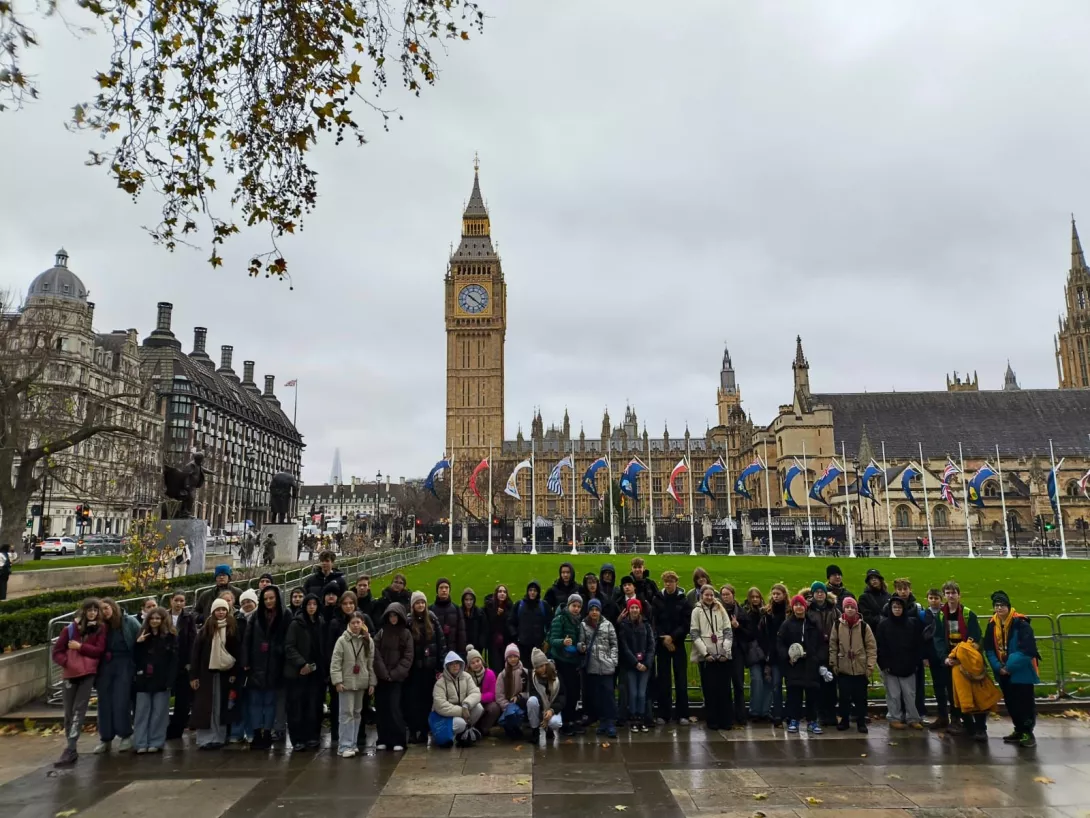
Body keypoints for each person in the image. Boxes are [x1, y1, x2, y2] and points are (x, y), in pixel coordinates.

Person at [983, 590, 1040, 748]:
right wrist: (997, 666)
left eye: (1002, 605)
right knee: (1011, 702)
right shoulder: (992, 624)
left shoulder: (1021, 623)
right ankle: (1019, 729)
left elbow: (1028, 650)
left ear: (1008, 606)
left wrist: (1008, 667)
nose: (999, 608)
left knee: (1025, 702)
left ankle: (1028, 732)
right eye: (996, 605)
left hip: (1020, 671)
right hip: (1003, 671)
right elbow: (988, 648)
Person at [51, 598, 106, 766]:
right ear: (83, 611)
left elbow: (99, 651)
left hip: (87, 674)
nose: (92, 613)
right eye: (89, 610)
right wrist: (67, 662)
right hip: (70, 675)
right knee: (68, 712)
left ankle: (71, 747)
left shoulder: (100, 629)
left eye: (95, 610)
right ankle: (71, 748)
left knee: (78, 711)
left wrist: (80, 647)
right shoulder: (70, 629)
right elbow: (57, 652)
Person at [189, 598, 241, 749]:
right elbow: (196, 654)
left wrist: (234, 673)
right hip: (206, 675)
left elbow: (236, 652)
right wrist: (194, 676)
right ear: (213, 611)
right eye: (218, 610)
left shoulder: (232, 628)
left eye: (223, 609)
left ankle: (218, 737)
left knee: (220, 707)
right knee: (205, 708)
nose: (221, 612)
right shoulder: (206, 630)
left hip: (224, 674)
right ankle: (205, 739)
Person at [241, 585, 287, 750]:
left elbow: (287, 640)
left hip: (275, 665)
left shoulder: (285, 615)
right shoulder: (255, 616)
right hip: (256, 664)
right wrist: (245, 662)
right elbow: (247, 639)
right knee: (255, 702)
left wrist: (278, 650)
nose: (268, 601)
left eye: (271, 598)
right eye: (265, 598)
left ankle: (267, 732)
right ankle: (256, 733)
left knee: (269, 701)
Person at [938, 580, 986, 739]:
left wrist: (960, 656)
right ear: (944, 595)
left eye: (953, 593)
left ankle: (980, 728)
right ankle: (966, 725)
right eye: (947, 593)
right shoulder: (940, 614)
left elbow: (974, 637)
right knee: (956, 695)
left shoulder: (967, 614)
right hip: (951, 662)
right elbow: (938, 638)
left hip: (966, 660)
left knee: (974, 694)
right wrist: (945, 658)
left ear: (959, 595)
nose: (950, 596)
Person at [94, 598, 140, 753]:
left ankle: (125, 734)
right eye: (101, 609)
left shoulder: (128, 622)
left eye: (106, 608)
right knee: (104, 702)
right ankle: (105, 737)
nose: (104, 612)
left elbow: (140, 638)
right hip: (105, 666)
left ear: (113, 607)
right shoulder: (98, 626)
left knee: (121, 700)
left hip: (124, 664)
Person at [132, 606, 179, 753]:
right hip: (143, 679)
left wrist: (170, 681)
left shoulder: (170, 637)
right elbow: (135, 658)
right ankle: (140, 743)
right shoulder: (142, 635)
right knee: (141, 712)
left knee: (159, 713)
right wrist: (138, 644)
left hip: (162, 680)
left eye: (158, 618)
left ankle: (156, 742)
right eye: (152, 618)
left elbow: (174, 660)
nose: (154, 621)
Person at [330, 611, 375, 757]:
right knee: (346, 714)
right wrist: (337, 681)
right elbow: (335, 662)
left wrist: (372, 682)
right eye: (353, 623)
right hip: (346, 682)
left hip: (361, 682)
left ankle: (353, 743)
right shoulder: (342, 640)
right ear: (349, 624)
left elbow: (371, 663)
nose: (356, 625)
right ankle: (344, 746)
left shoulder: (368, 640)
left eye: (358, 622)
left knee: (356, 713)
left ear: (363, 623)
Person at [284, 593, 325, 751]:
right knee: (297, 707)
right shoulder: (296, 624)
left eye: (314, 604)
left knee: (313, 706)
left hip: (316, 672)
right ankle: (298, 739)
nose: (312, 607)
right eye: (309, 604)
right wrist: (302, 663)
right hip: (299, 672)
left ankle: (312, 737)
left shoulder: (320, 622)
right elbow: (289, 646)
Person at [828, 597, 876, 733]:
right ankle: (844, 720)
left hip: (860, 668)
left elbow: (871, 647)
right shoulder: (837, 625)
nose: (850, 609)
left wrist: (870, 665)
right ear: (844, 608)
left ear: (856, 609)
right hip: (844, 667)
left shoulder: (864, 626)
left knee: (861, 697)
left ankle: (861, 721)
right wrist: (834, 663)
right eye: (847, 607)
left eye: (852, 607)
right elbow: (833, 646)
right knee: (844, 697)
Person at [877, 596, 925, 729]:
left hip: (908, 664)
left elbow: (918, 644)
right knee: (893, 694)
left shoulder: (912, 624)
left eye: (899, 607)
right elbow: (880, 646)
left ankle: (913, 718)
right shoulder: (884, 625)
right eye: (894, 607)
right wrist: (884, 664)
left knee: (910, 694)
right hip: (890, 666)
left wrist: (916, 662)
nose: (897, 610)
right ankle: (894, 718)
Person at [690, 584, 733, 731]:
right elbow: (694, 634)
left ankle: (726, 720)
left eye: (711, 595)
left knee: (725, 689)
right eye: (706, 595)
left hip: (722, 655)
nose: (709, 597)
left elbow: (728, 630)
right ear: (701, 596)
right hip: (707, 657)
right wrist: (705, 654)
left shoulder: (720, 609)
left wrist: (725, 651)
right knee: (710, 690)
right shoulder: (696, 611)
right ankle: (713, 720)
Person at [778, 594, 822, 734]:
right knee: (794, 695)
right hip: (794, 665)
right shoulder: (787, 624)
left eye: (801, 605)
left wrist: (814, 657)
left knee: (812, 695)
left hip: (810, 664)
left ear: (805, 606)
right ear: (792, 607)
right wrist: (788, 656)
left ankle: (812, 721)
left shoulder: (813, 623)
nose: (798, 607)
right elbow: (780, 643)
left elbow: (820, 643)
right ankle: (794, 720)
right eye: (796, 605)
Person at [654, 570, 693, 725]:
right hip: (663, 644)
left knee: (681, 679)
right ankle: (664, 713)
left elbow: (686, 623)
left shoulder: (683, 600)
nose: (669, 584)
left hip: (678, 643)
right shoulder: (657, 599)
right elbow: (654, 621)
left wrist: (673, 637)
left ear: (676, 582)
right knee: (664, 680)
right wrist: (663, 638)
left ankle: (682, 713)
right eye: (666, 582)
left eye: (671, 581)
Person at [406, 591, 445, 744]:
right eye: (417, 603)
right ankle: (412, 730)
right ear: (413, 605)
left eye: (422, 602)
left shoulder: (433, 620)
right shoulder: (409, 622)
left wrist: (440, 666)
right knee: (412, 701)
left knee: (426, 701)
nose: (420, 605)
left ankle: (423, 730)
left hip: (429, 668)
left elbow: (441, 643)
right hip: (414, 669)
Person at [373, 602, 413, 752]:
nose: (393, 618)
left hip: (396, 678)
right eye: (390, 615)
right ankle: (383, 738)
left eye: (395, 615)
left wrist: (394, 674)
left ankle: (399, 739)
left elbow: (408, 657)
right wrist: (384, 673)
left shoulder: (406, 634)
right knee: (382, 708)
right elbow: (375, 653)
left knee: (394, 708)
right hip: (382, 677)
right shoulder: (382, 632)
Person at [580, 598, 618, 737]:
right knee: (598, 697)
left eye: (596, 610)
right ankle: (602, 722)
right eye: (592, 610)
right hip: (593, 667)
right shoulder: (584, 625)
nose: (594, 612)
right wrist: (581, 647)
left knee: (608, 695)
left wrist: (613, 660)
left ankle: (610, 722)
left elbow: (614, 643)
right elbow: (581, 642)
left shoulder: (607, 624)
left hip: (607, 666)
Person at [548, 593, 585, 735]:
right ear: (568, 606)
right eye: (574, 606)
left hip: (574, 660)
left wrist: (580, 646)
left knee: (575, 693)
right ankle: (565, 722)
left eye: (578, 606)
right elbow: (552, 640)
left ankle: (571, 720)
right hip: (562, 661)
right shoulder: (560, 619)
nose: (576, 609)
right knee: (566, 692)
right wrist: (562, 642)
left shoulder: (578, 621)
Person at [429, 651, 483, 747]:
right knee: (460, 723)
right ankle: (449, 734)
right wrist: (461, 711)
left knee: (479, 708)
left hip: (463, 710)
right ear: (447, 666)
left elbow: (476, 693)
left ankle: (464, 733)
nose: (455, 666)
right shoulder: (440, 683)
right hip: (447, 715)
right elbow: (440, 705)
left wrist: (466, 704)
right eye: (451, 664)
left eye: (457, 663)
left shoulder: (467, 677)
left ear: (461, 664)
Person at [618, 597, 655, 732]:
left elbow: (651, 645)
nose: (634, 610)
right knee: (633, 693)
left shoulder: (646, 625)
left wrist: (646, 663)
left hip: (644, 665)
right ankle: (633, 718)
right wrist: (635, 662)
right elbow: (624, 647)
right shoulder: (624, 625)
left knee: (641, 693)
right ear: (628, 609)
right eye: (632, 607)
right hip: (631, 665)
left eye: (636, 608)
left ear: (640, 609)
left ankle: (641, 718)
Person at [806, 581, 839, 726]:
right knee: (817, 684)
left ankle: (831, 713)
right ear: (812, 594)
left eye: (822, 591)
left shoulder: (834, 610)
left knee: (831, 683)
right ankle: (820, 713)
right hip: (814, 650)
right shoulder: (809, 611)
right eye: (817, 592)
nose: (820, 594)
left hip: (831, 650)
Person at [166, 590, 198, 740]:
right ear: (171, 601)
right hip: (167, 662)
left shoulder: (188, 618)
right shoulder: (164, 616)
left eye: (182, 601)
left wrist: (190, 662)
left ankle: (177, 729)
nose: (179, 604)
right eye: (176, 600)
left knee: (182, 700)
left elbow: (192, 640)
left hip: (183, 663)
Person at [759, 583, 789, 726]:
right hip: (774, 655)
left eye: (778, 594)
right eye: (774, 594)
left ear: (784, 595)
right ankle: (778, 714)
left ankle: (789, 713)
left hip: (788, 654)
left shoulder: (789, 612)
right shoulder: (767, 613)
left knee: (790, 685)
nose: (776, 596)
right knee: (776, 685)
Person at [720, 584, 749, 727]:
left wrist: (738, 627)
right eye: (723, 595)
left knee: (738, 684)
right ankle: (728, 715)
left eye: (728, 594)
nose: (725, 597)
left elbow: (749, 633)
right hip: (723, 651)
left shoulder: (741, 612)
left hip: (737, 651)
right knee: (725, 685)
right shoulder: (718, 612)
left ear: (733, 595)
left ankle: (741, 715)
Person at [923, 588, 951, 729]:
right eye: (931, 598)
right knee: (938, 687)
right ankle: (943, 716)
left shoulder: (945, 613)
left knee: (951, 687)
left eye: (936, 598)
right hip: (932, 656)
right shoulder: (923, 615)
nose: (934, 601)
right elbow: (921, 638)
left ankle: (956, 716)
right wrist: (924, 657)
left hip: (946, 656)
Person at [527, 648, 565, 744]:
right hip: (540, 708)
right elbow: (533, 693)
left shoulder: (557, 676)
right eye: (537, 667)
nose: (540, 669)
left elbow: (562, 697)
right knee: (531, 701)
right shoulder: (532, 677)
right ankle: (535, 730)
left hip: (553, 707)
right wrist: (543, 711)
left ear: (546, 663)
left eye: (542, 665)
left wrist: (552, 710)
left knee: (555, 723)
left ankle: (550, 729)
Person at [513, 581, 550, 669]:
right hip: (523, 645)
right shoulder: (520, 605)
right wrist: (516, 636)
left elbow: (550, 622)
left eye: (535, 590)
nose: (532, 593)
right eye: (530, 590)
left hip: (539, 645)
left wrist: (547, 639)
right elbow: (511, 621)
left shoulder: (543, 605)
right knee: (524, 669)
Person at [496, 643, 529, 739]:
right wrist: (507, 706)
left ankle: (513, 726)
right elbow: (499, 695)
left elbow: (530, 691)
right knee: (510, 714)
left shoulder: (525, 673)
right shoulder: (502, 675)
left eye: (515, 656)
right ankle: (512, 728)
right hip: (508, 706)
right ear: (506, 658)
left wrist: (520, 696)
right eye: (510, 657)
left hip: (522, 703)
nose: (513, 659)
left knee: (512, 715)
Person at [465, 645, 501, 733]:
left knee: (494, 708)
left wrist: (478, 697)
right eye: (472, 663)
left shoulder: (489, 673)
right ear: (469, 665)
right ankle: (468, 728)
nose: (476, 664)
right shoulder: (466, 676)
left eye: (478, 661)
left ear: (482, 660)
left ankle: (482, 730)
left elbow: (492, 694)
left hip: (485, 703)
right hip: (472, 705)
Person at [431, 578, 467, 656]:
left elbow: (461, 632)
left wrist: (461, 652)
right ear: (437, 590)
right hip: (437, 651)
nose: (444, 590)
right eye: (441, 588)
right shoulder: (430, 610)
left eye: (446, 587)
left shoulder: (456, 608)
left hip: (453, 651)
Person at [484, 584, 514, 672]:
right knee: (495, 667)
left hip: (506, 643)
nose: (502, 594)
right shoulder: (489, 607)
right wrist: (497, 615)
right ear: (496, 594)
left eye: (504, 592)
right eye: (500, 591)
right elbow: (488, 624)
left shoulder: (510, 607)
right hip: (493, 643)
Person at [858, 569, 890, 634]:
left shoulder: (888, 596)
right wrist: (881, 619)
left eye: (876, 578)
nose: (874, 580)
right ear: (868, 582)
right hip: (873, 632)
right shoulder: (864, 598)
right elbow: (866, 617)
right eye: (871, 578)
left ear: (880, 580)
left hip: (888, 632)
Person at [461, 589, 485, 653]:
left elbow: (483, 629)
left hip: (477, 647)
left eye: (471, 599)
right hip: (463, 647)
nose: (469, 602)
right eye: (466, 600)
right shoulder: (459, 612)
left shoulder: (479, 613)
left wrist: (481, 644)